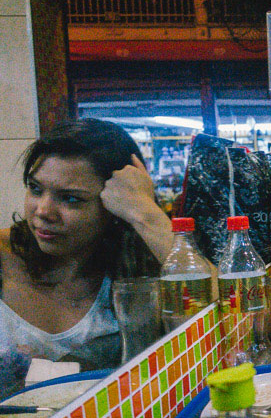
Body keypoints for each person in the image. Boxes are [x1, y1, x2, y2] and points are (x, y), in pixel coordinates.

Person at [1, 119, 174, 396]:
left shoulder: (132, 274)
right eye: (35, 188)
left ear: (115, 206)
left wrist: (146, 213)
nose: (43, 211)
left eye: (70, 199)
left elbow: (232, 319)